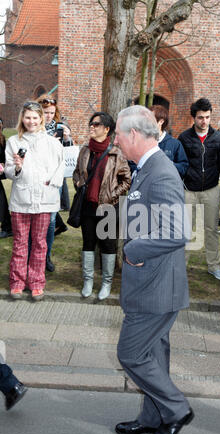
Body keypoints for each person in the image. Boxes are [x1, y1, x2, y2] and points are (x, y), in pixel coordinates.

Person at [114, 105, 193, 434]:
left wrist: (133, 251)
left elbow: (177, 231)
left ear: (133, 134)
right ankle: (152, 416)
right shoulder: (148, 167)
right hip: (153, 285)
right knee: (153, 354)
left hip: (155, 286)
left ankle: (176, 409)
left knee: (131, 354)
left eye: (117, 134)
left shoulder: (160, 171)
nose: (115, 141)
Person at [5, 101, 64, 301]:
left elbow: (60, 168)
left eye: (35, 117)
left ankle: (37, 283)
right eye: (27, 117)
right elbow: (10, 173)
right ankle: (17, 282)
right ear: (22, 118)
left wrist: (51, 184)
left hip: (44, 201)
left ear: (41, 119)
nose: (31, 121)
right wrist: (18, 167)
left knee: (40, 243)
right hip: (21, 200)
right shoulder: (14, 141)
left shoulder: (53, 143)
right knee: (20, 243)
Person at [72, 112, 131, 300]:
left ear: (107, 130)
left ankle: (106, 283)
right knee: (88, 243)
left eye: (96, 124)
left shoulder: (116, 153)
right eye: (91, 123)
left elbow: (126, 180)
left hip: (108, 207)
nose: (92, 126)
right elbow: (76, 172)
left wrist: (111, 196)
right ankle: (88, 281)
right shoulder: (84, 150)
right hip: (88, 207)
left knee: (107, 245)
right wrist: (79, 184)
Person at [178, 97, 220, 281]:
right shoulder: (184, 137)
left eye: (207, 117)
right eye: (200, 117)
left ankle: (214, 265)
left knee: (211, 229)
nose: (204, 121)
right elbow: (181, 162)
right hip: (189, 190)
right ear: (194, 118)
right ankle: (181, 265)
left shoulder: (218, 137)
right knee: (186, 230)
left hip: (211, 190)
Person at [37, 94, 71, 272]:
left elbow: (69, 153)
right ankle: (35, 255)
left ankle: (46, 256)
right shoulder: (34, 129)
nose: (48, 115)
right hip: (37, 180)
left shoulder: (60, 128)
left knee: (50, 220)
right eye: (45, 112)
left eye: (51, 112)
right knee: (36, 219)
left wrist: (66, 139)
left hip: (54, 180)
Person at [149, 104, 188, 178]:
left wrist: (168, 164)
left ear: (161, 121)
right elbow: (132, 164)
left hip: (166, 186)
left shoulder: (175, 144)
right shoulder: (141, 142)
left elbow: (183, 168)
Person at [0, 118, 12, 239]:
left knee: (1, 202)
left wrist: (2, 165)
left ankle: (7, 227)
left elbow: (5, 158)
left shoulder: (3, 140)